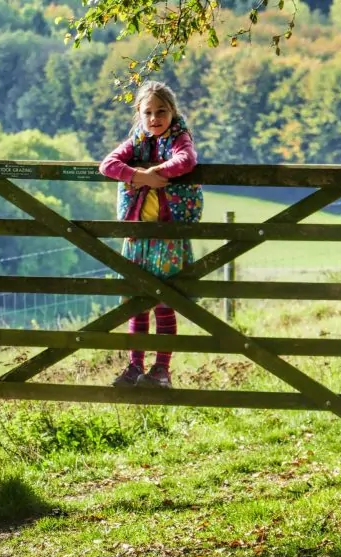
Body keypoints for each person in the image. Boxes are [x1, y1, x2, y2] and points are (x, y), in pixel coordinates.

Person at [99, 80, 203, 389]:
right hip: (137, 235)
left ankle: (161, 369)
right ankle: (134, 366)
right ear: (139, 114)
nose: (155, 118)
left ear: (173, 112)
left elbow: (187, 161)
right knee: (137, 301)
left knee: (164, 302)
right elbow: (107, 165)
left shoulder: (179, 138)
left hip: (168, 235)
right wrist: (140, 176)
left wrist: (157, 173)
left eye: (161, 111)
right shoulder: (137, 140)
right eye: (148, 112)